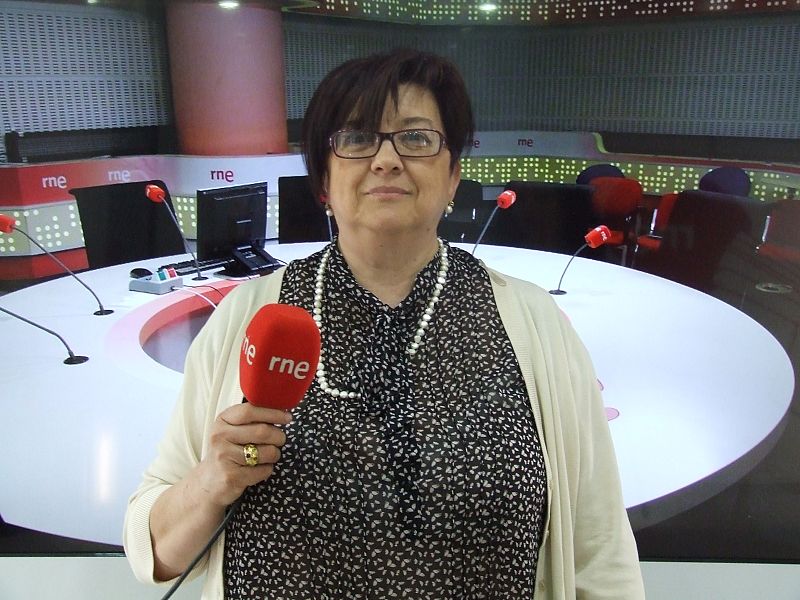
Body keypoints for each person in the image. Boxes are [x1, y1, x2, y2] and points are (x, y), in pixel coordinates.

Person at [124, 48, 645, 599]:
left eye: (416, 138)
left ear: (453, 176)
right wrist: (210, 483)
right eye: (357, 138)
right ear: (323, 181)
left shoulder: (536, 324)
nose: (387, 159)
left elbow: (600, 553)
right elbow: (152, 552)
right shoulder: (250, 316)